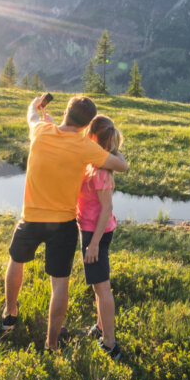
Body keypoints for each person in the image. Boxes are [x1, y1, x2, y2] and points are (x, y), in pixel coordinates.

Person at [2, 93, 128, 351]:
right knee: (59, 283)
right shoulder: (86, 147)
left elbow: (32, 115)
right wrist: (114, 150)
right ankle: (52, 344)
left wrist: (37, 104)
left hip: (31, 217)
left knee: (16, 262)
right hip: (64, 225)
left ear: (66, 113)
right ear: (86, 126)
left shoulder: (40, 131)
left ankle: (9, 313)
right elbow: (119, 165)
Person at [76, 115, 123, 359]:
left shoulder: (101, 171)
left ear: (93, 137)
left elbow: (106, 209)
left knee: (103, 287)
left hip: (97, 233)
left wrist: (93, 244)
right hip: (92, 230)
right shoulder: (96, 163)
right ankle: (101, 326)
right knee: (97, 285)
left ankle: (110, 343)